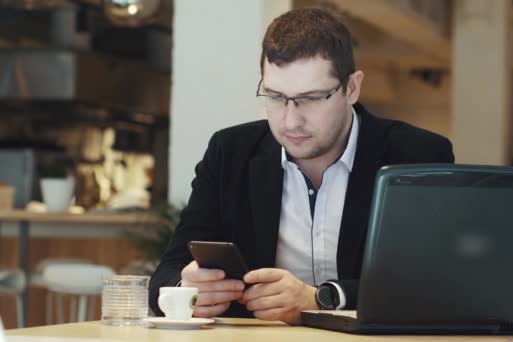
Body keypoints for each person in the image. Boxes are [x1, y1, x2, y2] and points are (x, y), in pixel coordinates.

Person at [150, 7, 454, 325]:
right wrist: (187, 289)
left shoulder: (417, 154)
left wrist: (321, 297)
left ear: (351, 88)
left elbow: (436, 283)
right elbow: (166, 275)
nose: (291, 120)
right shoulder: (230, 152)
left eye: (310, 98)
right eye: (276, 97)